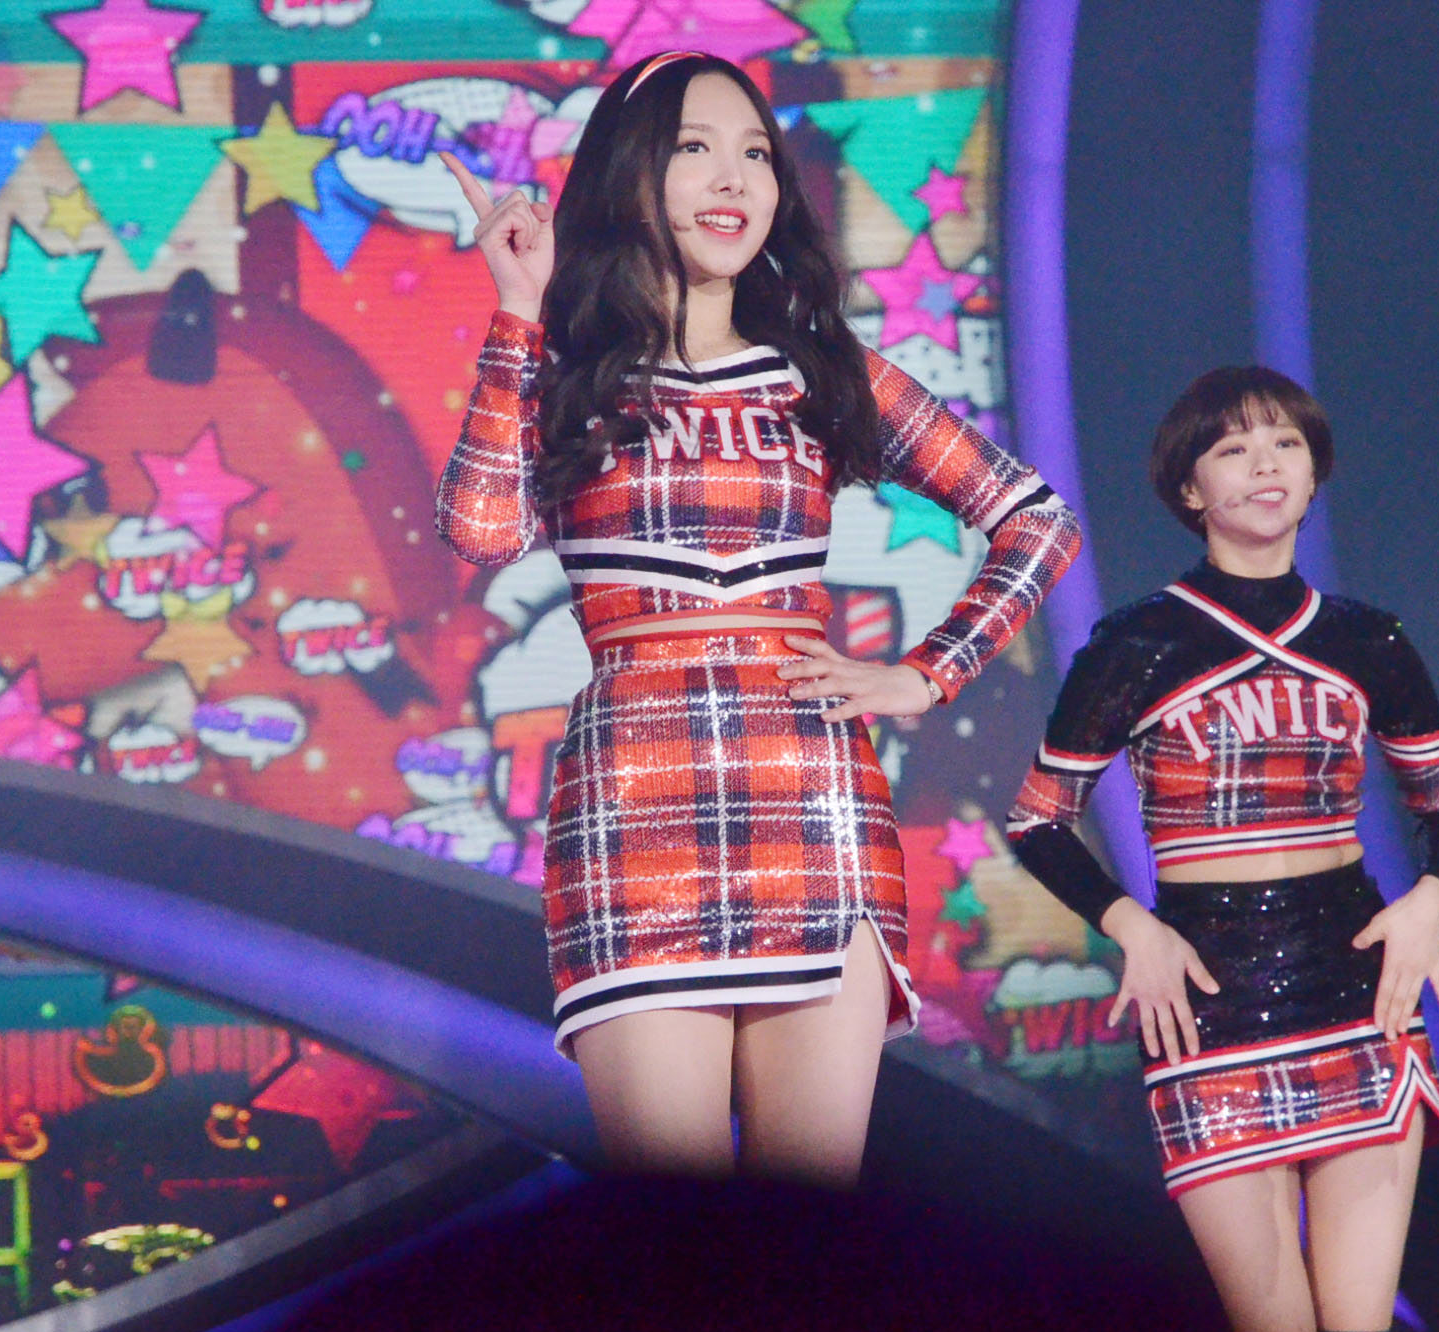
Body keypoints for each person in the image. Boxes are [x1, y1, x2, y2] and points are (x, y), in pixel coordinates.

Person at [436, 51, 1081, 1187]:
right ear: (632, 175)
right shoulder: (569, 371)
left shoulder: (825, 374)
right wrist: (519, 310)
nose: (733, 179)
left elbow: (1036, 520)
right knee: (678, 1246)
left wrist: (926, 672)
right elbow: (482, 530)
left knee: (811, 1241)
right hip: (635, 822)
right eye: (695, 149)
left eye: (754, 154)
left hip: (815, 820)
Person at [1007, 366, 1439, 1332]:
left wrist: (1429, 901)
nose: (1265, 466)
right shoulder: (1139, 642)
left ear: (1315, 475)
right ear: (1190, 488)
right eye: (1234, 449)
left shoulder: (1367, 639)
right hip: (1206, 1003)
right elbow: (1038, 820)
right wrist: (1132, 925)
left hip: (1360, 992)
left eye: (1286, 445)